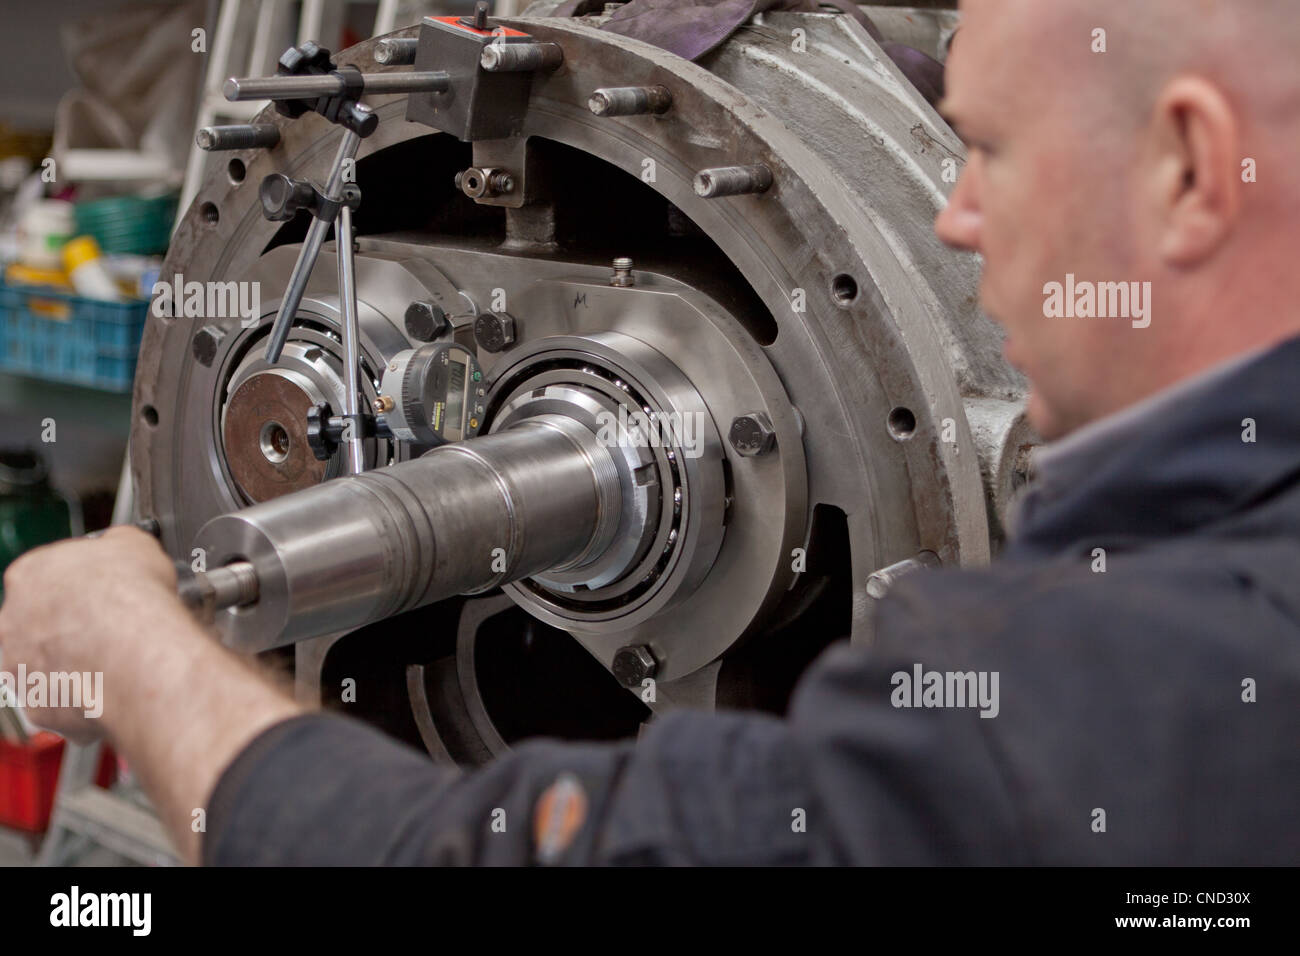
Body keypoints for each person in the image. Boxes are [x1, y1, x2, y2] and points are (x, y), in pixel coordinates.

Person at [2, 0, 1298, 865]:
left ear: (1190, 169)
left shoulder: (1135, 691)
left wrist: (133, 658)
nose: (957, 220)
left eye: (990, 150)